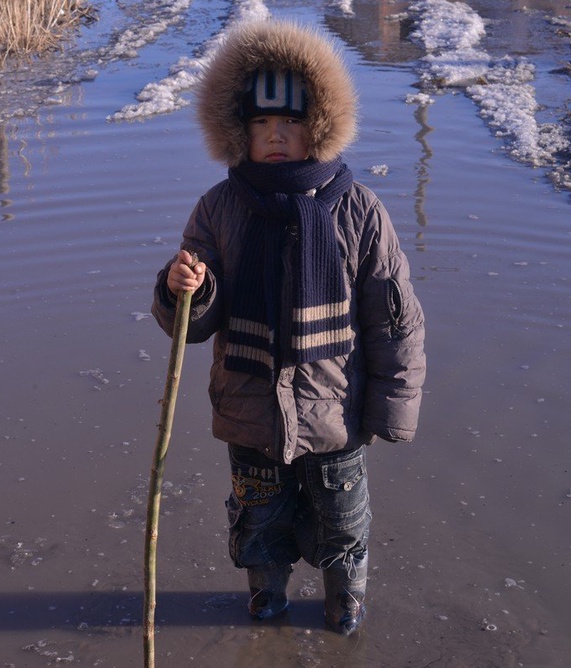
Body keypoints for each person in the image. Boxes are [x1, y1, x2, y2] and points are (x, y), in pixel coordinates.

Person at [151, 19, 426, 636]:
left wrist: (392, 409)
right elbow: (194, 325)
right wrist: (184, 290)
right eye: (261, 124)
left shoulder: (357, 210)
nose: (276, 136)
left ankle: (344, 597)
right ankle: (265, 592)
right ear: (237, 132)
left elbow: (394, 319)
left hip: (337, 417)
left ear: (319, 127)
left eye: (292, 123)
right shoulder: (218, 209)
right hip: (249, 413)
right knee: (258, 519)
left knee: (343, 521)